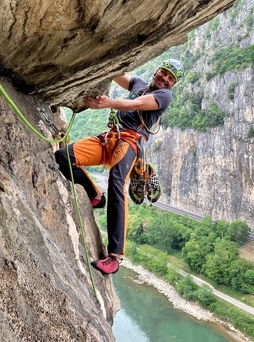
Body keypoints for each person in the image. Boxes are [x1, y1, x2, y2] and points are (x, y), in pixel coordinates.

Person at [54, 59, 183, 275]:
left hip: (129, 143)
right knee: (63, 156)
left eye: (171, 78)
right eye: (165, 72)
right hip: (110, 138)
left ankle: (114, 257)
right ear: (158, 69)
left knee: (116, 182)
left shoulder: (164, 96)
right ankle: (95, 195)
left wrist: (109, 103)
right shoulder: (139, 84)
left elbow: (138, 104)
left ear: (172, 84)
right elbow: (116, 73)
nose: (165, 79)